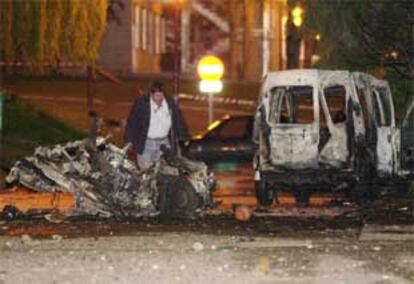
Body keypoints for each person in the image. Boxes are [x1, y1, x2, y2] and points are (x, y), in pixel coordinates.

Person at [124, 81, 189, 169]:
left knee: (164, 170)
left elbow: (178, 120)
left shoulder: (169, 103)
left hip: (163, 144)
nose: (159, 98)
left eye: (161, 95)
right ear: (151, 94)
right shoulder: (142, 103)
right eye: (156, 96)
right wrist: (129, 139)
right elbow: (133, 121)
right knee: (146, 170)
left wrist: (184, 136)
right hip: (147, 143)